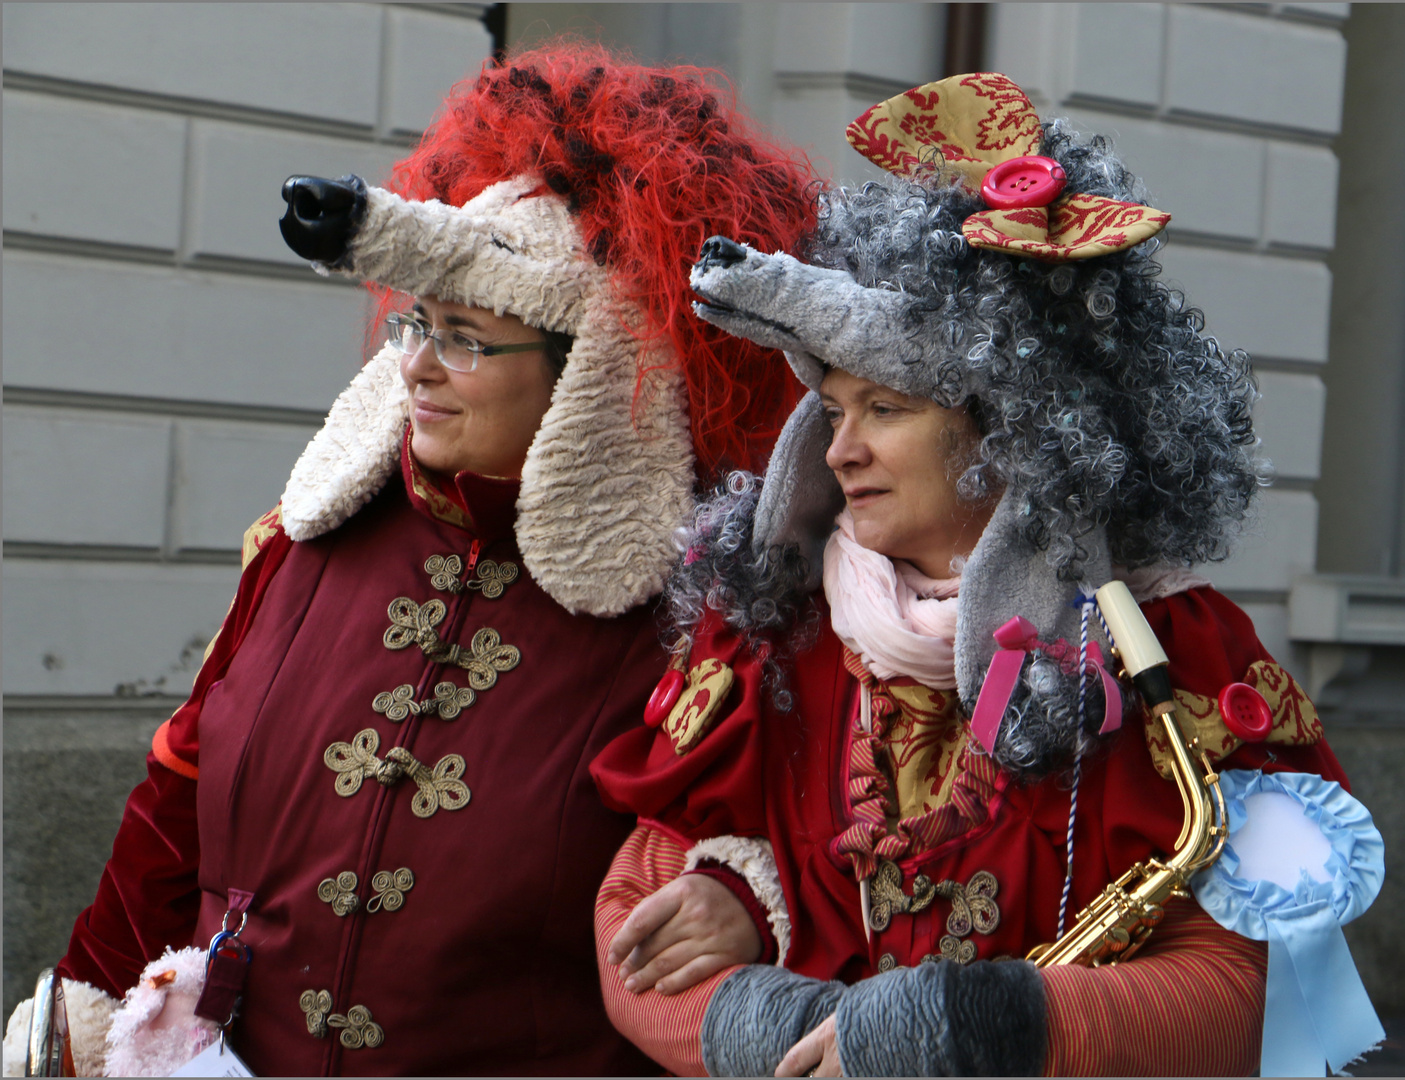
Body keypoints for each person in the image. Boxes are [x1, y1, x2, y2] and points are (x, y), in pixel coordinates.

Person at [1, 44, 817, 1077]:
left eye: (467, 336)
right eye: (417, 325)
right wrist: (83, 1008)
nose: (420, 364)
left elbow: (762, 832)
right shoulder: (301, 550)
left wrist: (736, 894)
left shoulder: (689, 608)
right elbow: (171, 809)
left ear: (595, 368)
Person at [589, 73, 1352, 1076]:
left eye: (886, 410)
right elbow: (630, 924)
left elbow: (1264, 981)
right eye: (834, 408)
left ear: (1017, 423)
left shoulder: (1173, 652)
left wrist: (982, 1031)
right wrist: (753, 965)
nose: (837, 451)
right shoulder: (784, 637)